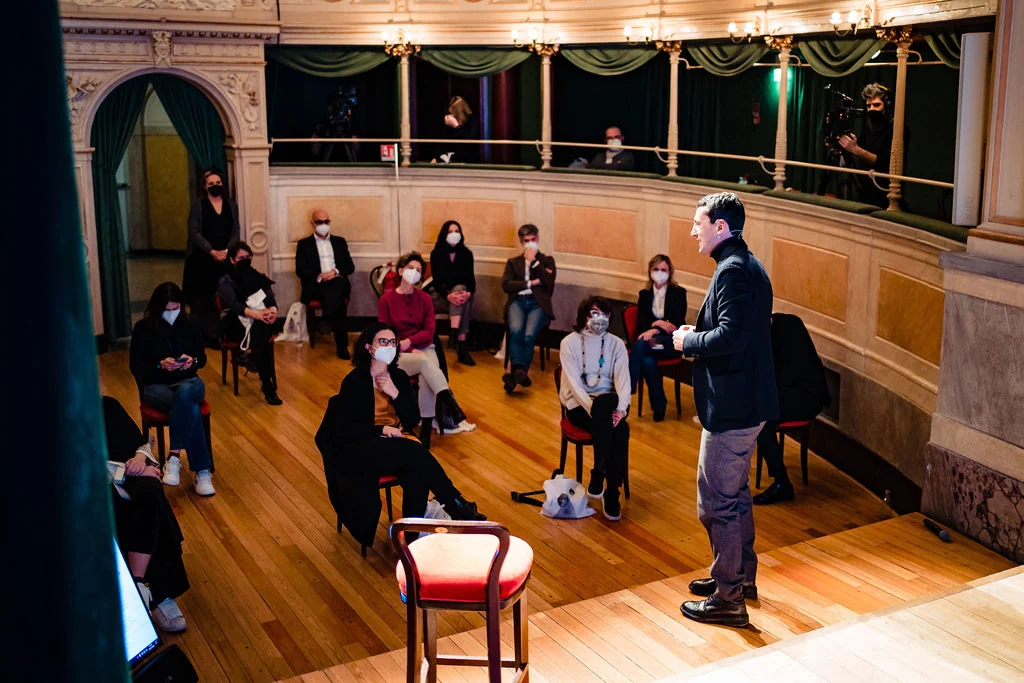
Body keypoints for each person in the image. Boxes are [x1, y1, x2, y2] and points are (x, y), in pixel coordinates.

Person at [672, 192, 778, 628]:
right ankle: (739, 578)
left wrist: (688, 341)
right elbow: (741, 331)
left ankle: (728, 599)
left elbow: (732, 337)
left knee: (716, 502)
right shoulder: (747, 264)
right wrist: (700, 331)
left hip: (734, 407)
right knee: (736, 495)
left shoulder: (733, 270)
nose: (692, 231)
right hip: (748, 401)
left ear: (720, 226)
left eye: (698, 223)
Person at [315, 323, 485, 549]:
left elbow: (412, 420)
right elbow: (346, 429)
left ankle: (411, 536)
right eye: (382, 342)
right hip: (362, 444)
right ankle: (456, 505)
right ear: (369, 348)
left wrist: (394, 393)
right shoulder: (355, 381)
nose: (389, 346)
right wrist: (381, 430)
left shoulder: (399, 376)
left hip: (396, 442)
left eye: (392, 342)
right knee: (416, 453)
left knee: (416, 471)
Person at [102, 396, 190, 633]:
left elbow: (141, 444)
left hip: (126, 473)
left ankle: (143, 587)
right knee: (115, 505)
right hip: (88, 485)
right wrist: (124, 472)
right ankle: (148, 591)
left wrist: (141, 460)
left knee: (151, 492)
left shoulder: (107, 405)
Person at [129, 282, 216, 496]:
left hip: (189, 382)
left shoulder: (191, 324)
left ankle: (173, 457)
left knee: (185, 393)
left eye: (175, 309)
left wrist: (192, 361)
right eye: (166, 310)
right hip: (157, 386)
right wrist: (160, 365)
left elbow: (202, 359)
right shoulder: (143, 328)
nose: (171, 313)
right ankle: (202, 471)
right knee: (191, 409)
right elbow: (136, 367)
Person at [378, 252, 476, 442]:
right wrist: (407, 347)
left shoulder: (424, 298)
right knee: (425, 364)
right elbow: (385, 334)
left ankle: (426, 427)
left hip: (424, 347)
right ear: (400, 271)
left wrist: (411, 343)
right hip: (396, 352)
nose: (414, 272)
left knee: (426, 374)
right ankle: (449, 401)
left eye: (418, 270)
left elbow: (429, 331)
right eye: (410, 268)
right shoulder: (386, 300)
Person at [559, 296, 631, 521]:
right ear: (584, 315)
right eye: (594, 313)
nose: (600, 318)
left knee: (613, 415)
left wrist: (622, 410)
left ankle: (601, 476)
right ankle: (611, 491)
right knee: (619, 430)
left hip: (609, 404)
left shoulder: (616, 344)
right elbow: (574, 384)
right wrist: (596, 409)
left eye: (605, 314)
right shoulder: (569, 343)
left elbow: (623, 381)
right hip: (579, 405)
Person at [752, 313, 831, 505]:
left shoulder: (789, 325)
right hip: (787, 392)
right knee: (756, 414)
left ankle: (782, 483)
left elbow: (788, 373)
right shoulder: (766, 332)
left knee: (761, 422)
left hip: (807, 397)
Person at [218, 241, 285, 405]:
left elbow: (270, 298)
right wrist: (256, 315)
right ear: (232, 260)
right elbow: (234, 305)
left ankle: (253, 360)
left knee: (262, 328)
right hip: (236, 322)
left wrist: (273, 311)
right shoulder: (226, 281)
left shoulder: (257, 276)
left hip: (259, 321)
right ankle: (267, 387)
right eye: (241, 258)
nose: (245, 260)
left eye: (248, 257)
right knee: (262, 330)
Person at [182, 168, 240, 347]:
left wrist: (226, 251)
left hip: (225, 258)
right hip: (202, 260)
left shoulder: (230, 205)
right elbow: (194, 232)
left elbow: (235, 230)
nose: (216, 186)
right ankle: (205, 336)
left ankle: (224, 333)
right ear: (205, 187)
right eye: (211, 184)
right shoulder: (198, 205)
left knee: (224, 296)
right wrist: (212, 251)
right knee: (203, 299)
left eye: (218, 183)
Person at [629, 254, 688, 422]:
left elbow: (675, 325)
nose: (660, 272)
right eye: (656, 269)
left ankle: (628, 386)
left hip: (670, 344)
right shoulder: (645, 295)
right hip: (653, 345)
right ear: (650, 271)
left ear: (670, 272)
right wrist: (659, 323)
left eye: (664, 270)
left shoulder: (678, 293)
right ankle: (659, 405)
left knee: (641, 344)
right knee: (647, 361)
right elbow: (641, 325)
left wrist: (654, 328)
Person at [501, 224, 557, 393]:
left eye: (533, 239)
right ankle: (520, 372)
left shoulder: (547, 261)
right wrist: (530, 283)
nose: (530, 243)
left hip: (537, 304)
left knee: (529, 334)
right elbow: (506, 285)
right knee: (516, 330)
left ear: (537, 238)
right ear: (521, 242)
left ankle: (516, 374)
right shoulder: (513, 263)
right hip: (518, 302)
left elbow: (548, 281)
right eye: (526, 241)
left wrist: (534, 262)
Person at [296, 208, 356, 359]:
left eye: (326, 221)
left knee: (338, 285)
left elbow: (350, 266)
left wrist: (334, 272)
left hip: (337, 281)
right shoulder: (304, 244)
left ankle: (327, 320)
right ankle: (341, 345)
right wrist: (319, 276)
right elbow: (300, 270)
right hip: (316, 285)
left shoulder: (339, 242)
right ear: (312, 223)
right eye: (319, 222)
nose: (323, 225)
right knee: (338, 300)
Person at [838, 83, 906, 209]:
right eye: (869, 106)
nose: (871, 109)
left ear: (888, 105)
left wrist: (855, 149)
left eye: (876, 105)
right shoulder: (869, 127)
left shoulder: (898, 130)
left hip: (885, 193)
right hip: (867, 191)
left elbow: (884, 163)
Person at [429, 220, 477, 366]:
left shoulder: (466, 254)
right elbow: (437, 281)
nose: (454, 234)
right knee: (463, 301)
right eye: (450, 232)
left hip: (459, 296)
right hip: (440, 295)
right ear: (444, 234)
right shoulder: (436, 253)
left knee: (462, 295)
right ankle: (461, 344)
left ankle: (454, 332)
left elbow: (471, 281)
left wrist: (468, 293)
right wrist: (448, 295)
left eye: (457, 231)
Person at [438, 96, 480, 164]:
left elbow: (469, 141)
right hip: (450, 159)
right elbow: (443, 143)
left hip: (468, 160)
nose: (452, 116)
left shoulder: (472, 121)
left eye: (454, 114)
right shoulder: (450, 122)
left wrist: (456, 126)